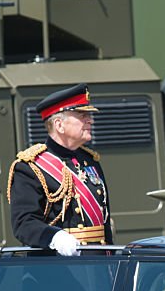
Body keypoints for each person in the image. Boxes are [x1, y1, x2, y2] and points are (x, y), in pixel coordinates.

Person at [7, 83, 112, 255]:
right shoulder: (30, 166)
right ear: (59, 125)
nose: (90, 120)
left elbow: (104, 222)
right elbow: (24, 223)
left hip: (96, 266)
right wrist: (54, 237)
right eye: (81, 114)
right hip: (57, 267)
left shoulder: (90, 161)